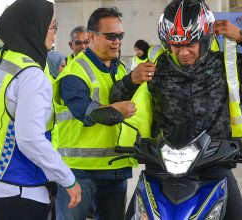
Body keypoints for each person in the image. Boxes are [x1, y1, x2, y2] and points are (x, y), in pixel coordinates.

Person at [112, 1, 242, 219]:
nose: (183, 52)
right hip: (161, 162)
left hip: (213, 162)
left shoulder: (224, 64)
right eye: (176, 46)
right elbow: (115, 99)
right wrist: (130, 80)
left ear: (205, 39)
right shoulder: (155, 66)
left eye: (191, 44)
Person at [0, 0, 81, 219]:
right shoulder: (31, 75)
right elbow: (30, 139)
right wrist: (67, 179)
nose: (55, 34)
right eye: (52, 26)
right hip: (10, 181)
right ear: (33, 26)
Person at [53, 7, 153, 220]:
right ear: (91, 36)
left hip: (115, 167)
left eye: (120, 36)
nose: (117, 41)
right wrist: (118, 108)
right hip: (79, 171)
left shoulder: (122, 69)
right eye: (111, 36)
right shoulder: (74, 72)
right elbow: (88, 113)